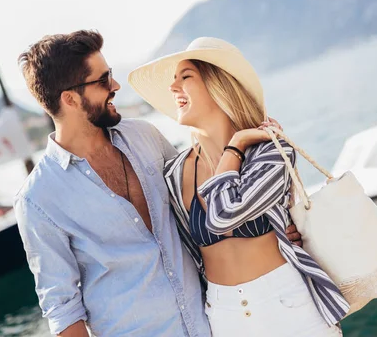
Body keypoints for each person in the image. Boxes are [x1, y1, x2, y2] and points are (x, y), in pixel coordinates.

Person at [15, 30, 302, 336]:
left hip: (217, 325)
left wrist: (273, 229)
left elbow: (204, 200)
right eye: (103, 80)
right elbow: (62, 309)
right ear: (70, 99)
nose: (115, 85)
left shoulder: (146, 137)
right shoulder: (38, 199)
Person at [128, 37, 349, 336]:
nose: (173, 87)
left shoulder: (270, 151)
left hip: (287, 303)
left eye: (186, 76)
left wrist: (236, 145)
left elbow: (223, 216)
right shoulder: (175, 172)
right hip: (224, 313)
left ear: (218, 86)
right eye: (174, 79)